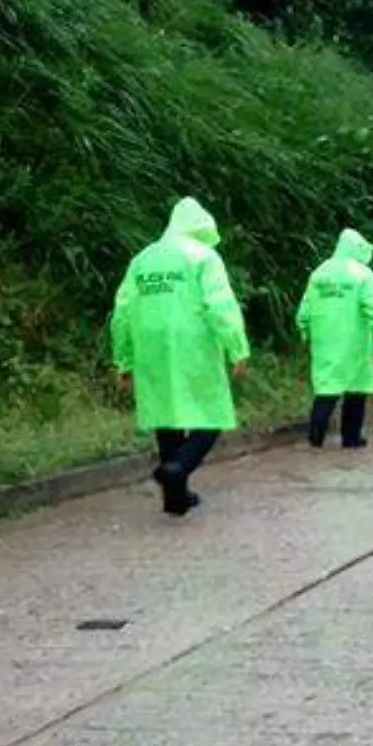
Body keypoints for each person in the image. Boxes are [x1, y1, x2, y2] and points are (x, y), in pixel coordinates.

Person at [110, 197, 250, 516]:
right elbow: (220, 304)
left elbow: (122, 312)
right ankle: (179, 467)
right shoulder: (203, 256)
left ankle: (175, 498)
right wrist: (237, 348)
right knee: (212, 414)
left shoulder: (143, 259)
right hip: (194, 343)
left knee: (166, 415)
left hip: (149, 344)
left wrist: (124, 359)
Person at [296, 228, 373, 449]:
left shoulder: (319, 273)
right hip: (354, 342)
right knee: (356, 390)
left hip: (324, 341)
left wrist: (304, 330)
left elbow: (305, 308)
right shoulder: (363, 274)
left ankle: (315, 437)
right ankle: (351, 438)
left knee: (326, 387)